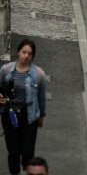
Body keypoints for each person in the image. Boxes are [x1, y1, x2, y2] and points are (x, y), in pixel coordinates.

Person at [0, 40, 47, 175]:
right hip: (10, 116)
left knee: (27, 153)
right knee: (13, 152)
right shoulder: (6, 70)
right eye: (24, 52)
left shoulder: (38, 74)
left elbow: (41, 97)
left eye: (30, 54)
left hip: (30, 117)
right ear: (18, 52)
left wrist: (42, 116)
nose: (26, 56)